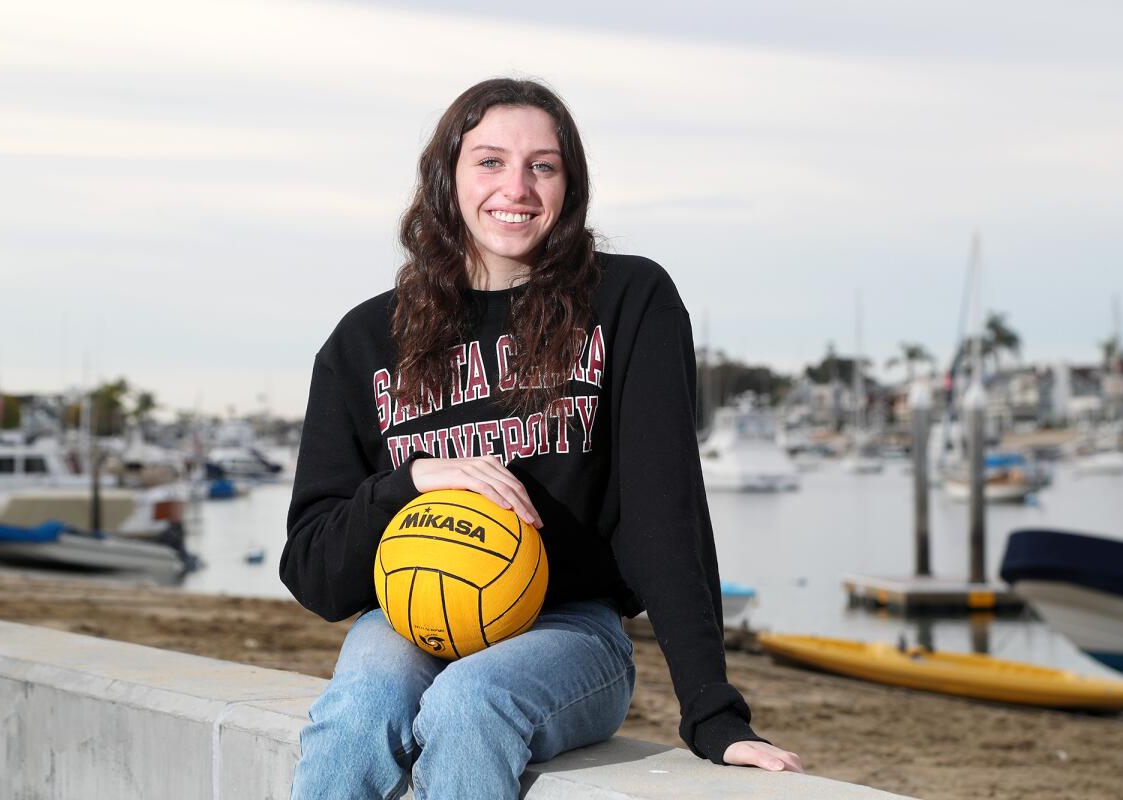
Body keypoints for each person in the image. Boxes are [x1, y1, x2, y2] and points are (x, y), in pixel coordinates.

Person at [281, 77, 803, 799]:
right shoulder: (366, 339)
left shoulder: (628, 302)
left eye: (543, 166)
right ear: (447, 177)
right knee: (359, 707)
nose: (517, 187)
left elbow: (664, 514)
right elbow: (312, 570)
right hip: (411, 617)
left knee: (471, 703)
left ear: (570, 184)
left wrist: (715, 714)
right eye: (490, 161)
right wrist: (413, 481)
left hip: (571, 629)